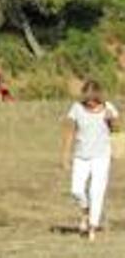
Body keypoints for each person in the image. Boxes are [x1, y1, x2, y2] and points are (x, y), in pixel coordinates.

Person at [62, 79, 120, 241]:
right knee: (76, 190)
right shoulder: (76, 108)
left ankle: (92, 227)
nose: (90, 103)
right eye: (87, 99)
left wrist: (111, 120)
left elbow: (117, 129)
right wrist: (65, 155)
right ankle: (85, 211)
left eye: (93, 99)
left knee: (97, 191)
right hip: (81, 155)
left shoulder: (108, 108)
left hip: (101, 156)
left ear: (98, 96)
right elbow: (70, 132)